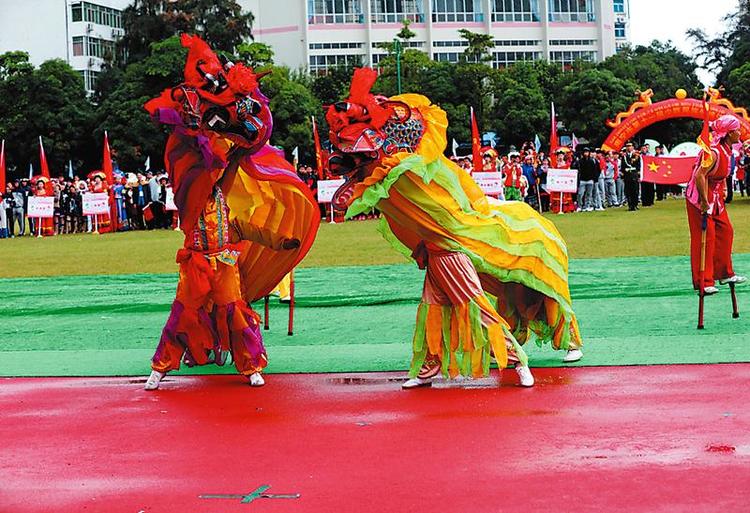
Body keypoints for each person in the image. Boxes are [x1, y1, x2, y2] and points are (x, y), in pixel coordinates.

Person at [325, 69, 583, 390]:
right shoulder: (389, 174)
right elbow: (362, 186)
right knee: (432, 307)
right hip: (436, 250)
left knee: (473, 306)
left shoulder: (409, 169)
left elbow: (385, 172)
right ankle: (428, 368)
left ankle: (517, 361)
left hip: (449, 249)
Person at [142, 34, 319, 391]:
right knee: (182, 317)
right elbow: (198, 163)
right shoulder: (191, 204)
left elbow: (251, 229)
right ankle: (160, 368)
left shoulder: (223, 207)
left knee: (236, 315)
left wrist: (284, 241)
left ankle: (250, 366)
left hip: (224, 266)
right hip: (195, 267)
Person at [685, 114, 746, 295]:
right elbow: (699, 176)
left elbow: (724, 173)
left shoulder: (728, 151)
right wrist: (703, 201)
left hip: (716, 195)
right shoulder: (712, 152)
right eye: (736, 130)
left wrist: (725, 188)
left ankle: (724, 273)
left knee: (726, 230)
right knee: (706, 237)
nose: (739, 132)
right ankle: (704, 281)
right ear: (728, 133)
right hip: (700, 196)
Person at [576, 147, 599, 212]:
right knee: (580, 194)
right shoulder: (580, 161)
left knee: (589, 194)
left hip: (590, 180)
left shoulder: (591, 161)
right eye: (585, 152)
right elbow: (578, 170)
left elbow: (594, 171)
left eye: (587, 152)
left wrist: (595, 179)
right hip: (582, 180)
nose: (586, 153)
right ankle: (580, 206)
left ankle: (587, 206)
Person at [620, 142, 641, 211]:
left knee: (635, 191)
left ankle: (635, 204)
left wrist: (638, 175)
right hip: (627, 176)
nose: (629, 147)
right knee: (628, 191)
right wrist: (623, 174)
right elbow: (623, 167)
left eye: (630, 146)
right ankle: (630, 205)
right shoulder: (624, 156)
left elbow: (639, 166)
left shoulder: (637, 155)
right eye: (627, 146)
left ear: (633, 147)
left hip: (634, 175)